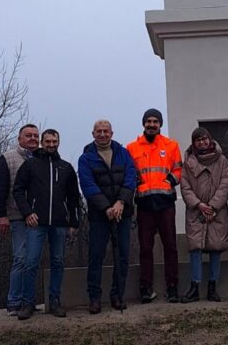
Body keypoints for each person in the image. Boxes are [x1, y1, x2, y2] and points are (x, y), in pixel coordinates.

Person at [12, 128, 80, 320]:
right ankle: (28, 303)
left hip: (59, 223)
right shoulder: (30, 165)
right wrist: (27, 212)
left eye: (54, 141)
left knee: (58, 261)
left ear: (58, 142)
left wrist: (74, 222)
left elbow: (74, 198)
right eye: (48, 141)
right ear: (42, 142)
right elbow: (18, 190)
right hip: (36, 223)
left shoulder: (66, 168)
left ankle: (55, 301)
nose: (51, 145)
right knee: (31, 262)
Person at [78, 119, 137, 314]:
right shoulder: (86, 158)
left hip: (123, 213)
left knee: (122, 256)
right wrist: (106, 207)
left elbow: (131, 178)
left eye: (106, 131)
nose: (102, 134)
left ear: (112, 133)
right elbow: (87, 185)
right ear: (93, 134)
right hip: (99, 216)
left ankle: (117, 295)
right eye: (99, 131)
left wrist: (121, 202)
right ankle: (94, 298)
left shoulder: (123, 153)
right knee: (96, 256)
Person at [127, 108, 183, 303]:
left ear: (160, 124)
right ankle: (146, 288)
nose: (151, 125)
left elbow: (178, 169)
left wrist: (171, 180)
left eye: (155, 121)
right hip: (144, 203)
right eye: (148, 121)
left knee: (171, 247)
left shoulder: (171, 145)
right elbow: (129, 172)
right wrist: (136, 183)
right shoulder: (132, 147)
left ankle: (172, 287)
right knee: (145, 248)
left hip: (166, 202)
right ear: (143, 124)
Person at [0, 123, 40, 316]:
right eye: (28, 135)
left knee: (33, 260)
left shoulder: (42, 158)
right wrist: (1, 215)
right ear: (19, 138)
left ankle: (28, 301)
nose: (33, 139)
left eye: (36, 136)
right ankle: (14, 302)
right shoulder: (8, 158)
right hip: (17, 216)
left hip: (39, 218)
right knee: (20, 258)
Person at [179, 127, 228, 303]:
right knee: (195, 248)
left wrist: (213, 206)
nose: (202, 142)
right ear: (194, 143)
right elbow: (185, 186)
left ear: (210, 139)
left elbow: (225, 184)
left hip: (217, 211)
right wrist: (199, 204)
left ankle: (213, 287)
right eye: (198, 140)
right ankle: (194, 286)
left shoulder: (222, 161)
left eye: (204, 139)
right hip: (196, 212)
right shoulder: (188, 162)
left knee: (216, 248)